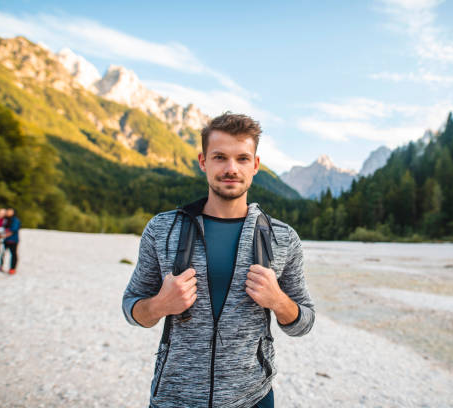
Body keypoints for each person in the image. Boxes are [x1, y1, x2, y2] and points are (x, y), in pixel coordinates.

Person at [122, 113, 315, 408]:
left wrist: (278, 301)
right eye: (220, 157)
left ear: (255, 165)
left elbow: (304, 322)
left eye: (242, 158)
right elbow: (131, 306)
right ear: (203, 162)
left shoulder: (283, 238)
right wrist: (160, 305)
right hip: (174, 399)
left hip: (253, 399)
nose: (231, 168)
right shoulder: (162, 229)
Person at [3, 208, 21, 275]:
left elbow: (14, 229)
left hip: (13, 240)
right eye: (7, 211)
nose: (8, 212)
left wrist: (4, 235)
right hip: (5, 240)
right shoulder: (5, 220)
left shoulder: (15, 220)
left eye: (10, 211)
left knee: (13, 254)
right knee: (2, 254)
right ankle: (0, 266)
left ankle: (12, 268)